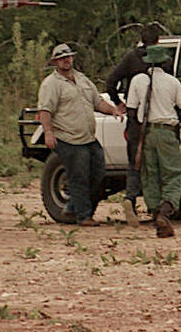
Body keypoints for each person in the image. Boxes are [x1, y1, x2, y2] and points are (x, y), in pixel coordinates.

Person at [36, 43, 126, 227]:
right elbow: (45, 110)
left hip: (88, 137)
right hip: (68, 137)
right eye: (62, 58)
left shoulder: (82, 79)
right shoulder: (51, 84)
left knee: (99, 171)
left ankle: (72, 207)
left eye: (68, 57)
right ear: (55, 62)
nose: (66, 60)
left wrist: (113, 111)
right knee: (79, 176)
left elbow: (97, 102)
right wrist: (48, 133)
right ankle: (84, 216)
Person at [125, 45, 181, 238]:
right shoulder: (172, 82)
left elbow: (131, 111)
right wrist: (172, 120)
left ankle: (156, 216)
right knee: (173, 174)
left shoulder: (137, 80)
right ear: (164, 62)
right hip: (166, 132)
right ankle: (165, 213)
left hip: (147, 133)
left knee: (150, 176)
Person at [104, 24, 162, 220]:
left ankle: (130, 199)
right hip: (156, 117)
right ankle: (155, 207)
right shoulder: (163, 60)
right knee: (154, 163)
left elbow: (111, 82)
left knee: (134, 162)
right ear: (158, 41)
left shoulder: (131, 58)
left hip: (135, 118)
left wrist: (119, 103)